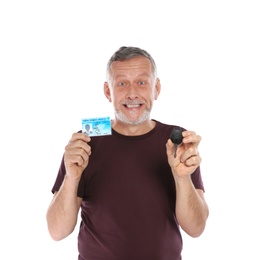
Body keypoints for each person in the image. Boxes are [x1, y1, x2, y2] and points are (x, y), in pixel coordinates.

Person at [46, 46, 209, 260]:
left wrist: (182, 177)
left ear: (156, 88)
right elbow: (57, 232)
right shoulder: (86, 140)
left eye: (142, 82)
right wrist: (71, 178)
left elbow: (196, 229)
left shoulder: (177, 141)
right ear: (107, 91)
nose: (132, 93)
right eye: (122, 83)